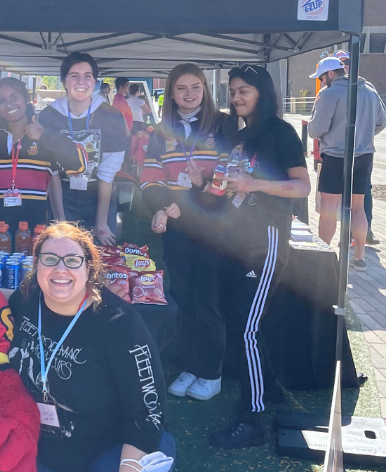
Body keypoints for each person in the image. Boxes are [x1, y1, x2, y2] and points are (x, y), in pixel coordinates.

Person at [8, 222, 174, 472]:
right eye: (50, 259)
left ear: (89, 266)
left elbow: (146, 413)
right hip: (41, 443)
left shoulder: (120, 324)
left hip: (111, 448)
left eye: (72, 260)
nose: (60, 269)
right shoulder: (27, 300)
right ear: (37, 264)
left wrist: (128, 466)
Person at [209, 65, 310, 449]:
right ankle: (270, 390)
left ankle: (251, 420)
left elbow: (302, 186)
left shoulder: (280, 132)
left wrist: (255, 185)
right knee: (241, 322)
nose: (236, 97)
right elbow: (233, 182)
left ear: (262, 92)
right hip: (236, 240)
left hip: (265, 241)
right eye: (232, 91)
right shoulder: (240, 134)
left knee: (247, 329)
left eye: (243, 91)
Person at [140, 63, 235, 403]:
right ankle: (191, 366)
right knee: (184, 298)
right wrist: (163, 206)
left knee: (207, 300)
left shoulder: (224, 125)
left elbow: (232, 172)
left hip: (212, 226)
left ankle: (211, 372)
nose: (190, 93)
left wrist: (203, 186)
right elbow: (149, 178)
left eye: (196, 87)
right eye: (182, 88)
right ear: (171, 92)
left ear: (205, 90)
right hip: (176, 226)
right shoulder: (159, 132)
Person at [0, 77, 84, 230]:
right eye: (2, 101)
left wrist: (45, 136)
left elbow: (79, 166)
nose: (8, 105)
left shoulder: (44, 136)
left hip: (33, 233)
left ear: (27, 99)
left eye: (14, 97)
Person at [39, 53, 129, 246]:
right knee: (64, 252)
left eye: (88, 75)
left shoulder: (111, 116)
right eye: (74, 75)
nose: (81, 81)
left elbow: (107, 173)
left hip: (99, 195)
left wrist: (101, 222)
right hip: (63, 195)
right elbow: (51, 172)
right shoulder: (49, 116)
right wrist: (60, 219)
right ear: (64, 81)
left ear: (95, 81)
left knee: (100, 257)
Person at [307, 56, 386, 271]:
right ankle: (359, 256)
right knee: (358, 208)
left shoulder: (329, 93)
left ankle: (325, 255)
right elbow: (381, 121)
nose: (322, 82)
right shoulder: (369, 90)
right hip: (364, 156)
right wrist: (364, 135)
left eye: (322, 78)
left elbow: (316, 129)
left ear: (331, 74)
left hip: (335, 156)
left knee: (329, 208)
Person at [335, 50, 381, 245]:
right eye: (341, 63)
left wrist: (365, 135)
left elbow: (380, 121)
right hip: (349, 151)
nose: (345, 65)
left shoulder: (368, 89)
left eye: (347, 62)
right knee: (346, 195)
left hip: (356, 151)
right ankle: (349, 235)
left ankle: (363, 232)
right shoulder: (366, 89)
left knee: (362, 194)